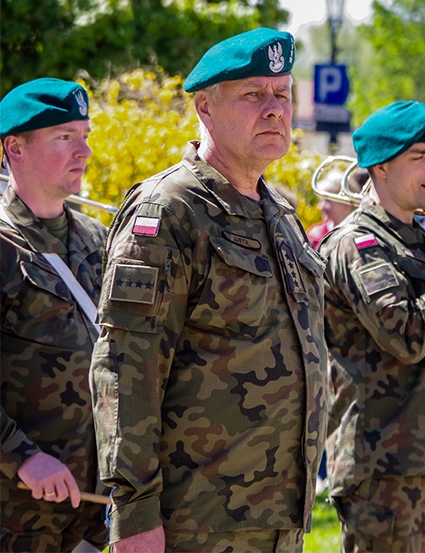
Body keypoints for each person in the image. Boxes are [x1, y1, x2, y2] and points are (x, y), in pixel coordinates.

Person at [90, 28, 327, 553]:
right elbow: (126, 366)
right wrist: (134, 514)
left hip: (276, 520)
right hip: (193, 522)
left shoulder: (280, 213)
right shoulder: (169, 210)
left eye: (282, 94)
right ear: (205, 106)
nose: (274, 110)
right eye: (252, 95)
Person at [318, 101, 425, 552]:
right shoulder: (359, 244)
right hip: (385, 468)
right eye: (419, 156)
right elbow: (408, 335)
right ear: (379, 169)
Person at [0, 79, 109, 552]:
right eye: (65, 136)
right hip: (18, 508)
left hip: (94, 507)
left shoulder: (98, 240)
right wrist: (21, 457)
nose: (83, 150)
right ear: (14, 147)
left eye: (85, 135)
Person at [307, 167, 367, 250]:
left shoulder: (364, 232)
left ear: (347, 202)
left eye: (327, 200)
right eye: (321, 200)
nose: (321, 206)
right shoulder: (314, 235)